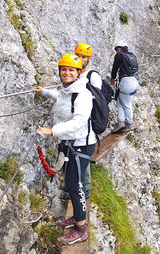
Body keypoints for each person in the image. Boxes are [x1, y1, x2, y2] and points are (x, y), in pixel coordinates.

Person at [35, 54, 95, 245]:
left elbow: (79, 121)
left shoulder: (82, 94)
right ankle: (77, 217)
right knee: (70, 184)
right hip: (71, 144)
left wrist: (52, 131)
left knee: (75, 186)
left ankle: (81, 228)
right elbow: (60, 96)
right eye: (64, 69)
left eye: (71, 70)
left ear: (78, 73)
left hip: (81, 145)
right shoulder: (68, 90)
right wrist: (44, 91)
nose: (67, 72)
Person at [73, 43, 101, 200]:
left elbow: (95, 99)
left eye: (83, 57)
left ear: (89, 59)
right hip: (78, 120)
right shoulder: (76, 74)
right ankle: (77, 187)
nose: (80, 59)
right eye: (78, 56)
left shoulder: (92, 76)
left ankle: (86, 190)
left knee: (83, 156)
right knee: (77, 155)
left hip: (87, 121)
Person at [110, 41, 139, 133]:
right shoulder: (132, 56)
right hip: (133, 81)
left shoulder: (120, 55)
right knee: (119, 102)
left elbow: (115, 67)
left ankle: (129, 124)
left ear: (119, 48)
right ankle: (120, 122)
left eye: (116, 50)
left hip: (126, 82)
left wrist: (112, 78)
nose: (116, 52)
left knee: (126, 105)